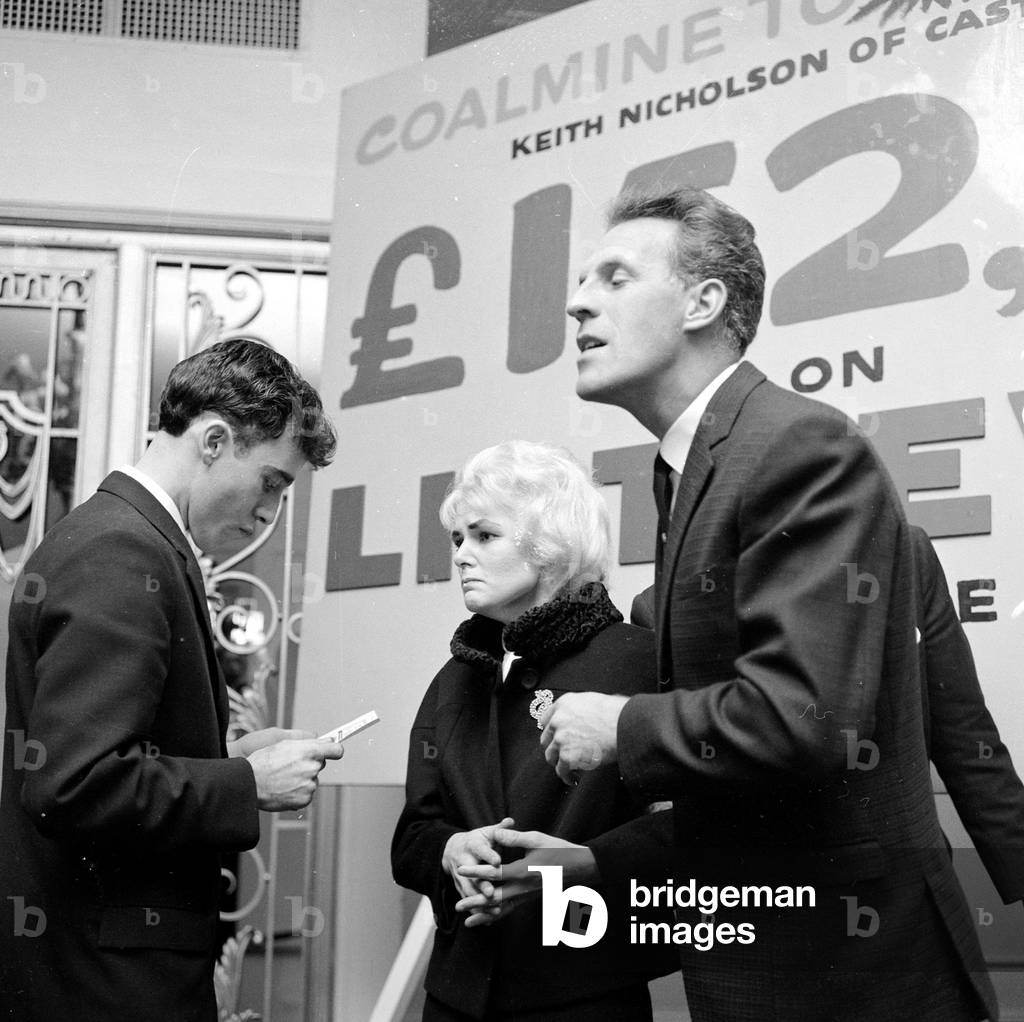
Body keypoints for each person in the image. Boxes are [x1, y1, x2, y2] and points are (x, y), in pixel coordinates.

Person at [541, 186, 998, 1020]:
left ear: (704, 302)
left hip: (850, 975)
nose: (577, 302)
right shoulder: (688, 471)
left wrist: (619, 726)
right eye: (581, 281)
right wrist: (591, 861)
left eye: (612, 277)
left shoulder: (796, 446)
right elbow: (736, 793)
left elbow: (803, 721)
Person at [0, 339, 343, 1021]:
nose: (270, 513)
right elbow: (74, 785)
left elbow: (106, 752)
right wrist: (247, 784)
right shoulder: (124, 551)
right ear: (214, 440)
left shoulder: (118, 535)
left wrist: (228, 758)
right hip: (107, 980)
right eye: (272, 483)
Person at [391, 440, 674, 1022]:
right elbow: (413, 835)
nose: (462, 556)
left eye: (484, 536)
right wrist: (449, 850)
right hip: (457, 999)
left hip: (582, 996)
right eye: (457, 539)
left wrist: (590, 865)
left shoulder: (640, 664)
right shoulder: (456, 676)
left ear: (549, 544)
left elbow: (696, 837)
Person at [630, 522, 1024, 903]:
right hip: (768, 904)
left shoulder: (902, 555)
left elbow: (969, 743)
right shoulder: (660, 608)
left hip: (906, 890)